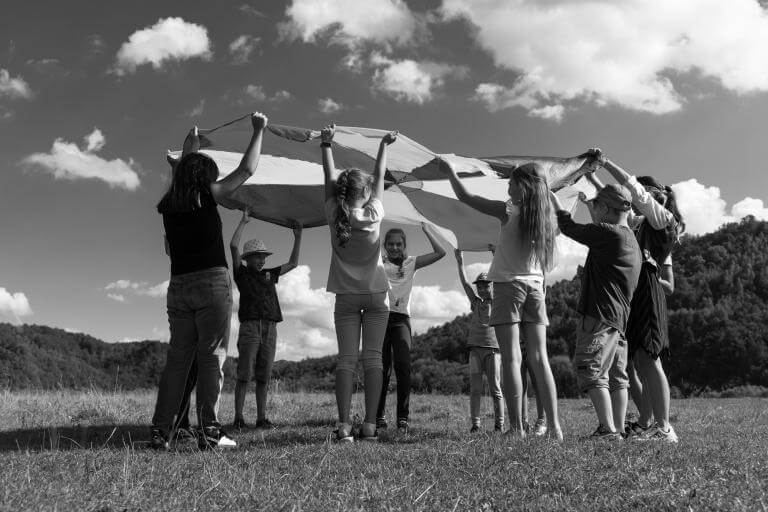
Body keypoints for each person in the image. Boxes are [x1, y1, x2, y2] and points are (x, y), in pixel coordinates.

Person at [150, 112, 268, 451]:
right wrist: (258, 130)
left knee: (178, 361)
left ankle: (161, 432)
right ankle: (211, 432)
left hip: (179, 287)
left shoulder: (170, 204)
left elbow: (184, 168)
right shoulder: (208, 194)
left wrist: (192, 143)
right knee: (211, 358)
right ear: (205, 177)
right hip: (211, 285)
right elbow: (247, 170)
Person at [442, 159, 563, 440]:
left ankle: (517, 429)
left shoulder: (508, 210)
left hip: (509, 287)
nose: (507, 186)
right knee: (540, 358)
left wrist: (449, 171)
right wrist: (547, 191)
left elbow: (465, 196)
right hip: (535, 288)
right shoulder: (549, 219)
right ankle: (555, 428)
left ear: (522, 186)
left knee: (511, 357)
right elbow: (553, 204)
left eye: (511, 182)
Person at [593, 151, 684, 443]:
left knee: (649, 359)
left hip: (649, 289)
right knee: (640, 361)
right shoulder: (640, 222)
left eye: (640, 196)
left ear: (653, 195)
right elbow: (616, 199)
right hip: (635, 291)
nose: (632, 202)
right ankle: (653, 424)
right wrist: (589, 175)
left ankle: (664, 427)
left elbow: (630, 186)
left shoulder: (662, 218)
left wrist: (605, 163)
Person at [321, 123, 396, 442]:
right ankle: (368, 424)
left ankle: (342, 425)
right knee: (374, 359)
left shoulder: (334, 214)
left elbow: (328, 180)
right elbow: (380, 178)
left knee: (347, 360)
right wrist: (383, 145)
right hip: (377, 294)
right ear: (364, 194)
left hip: (346, 297)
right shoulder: (374, 213)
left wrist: (326, 144)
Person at [551, 180, 642, 440]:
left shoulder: (608, 233)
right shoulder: (629, 239)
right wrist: (591, 203)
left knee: (591, 367)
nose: (594, 209)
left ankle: (607, 430)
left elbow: (568, 227)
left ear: (605, 208)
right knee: (617, 375)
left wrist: (553, 200)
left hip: (599, 313)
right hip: (619, 319)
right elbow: (597, 224)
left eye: (597, 205)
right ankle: (619, 429)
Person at [230, 208, 303, 429]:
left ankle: (261, 418)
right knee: (244, 374)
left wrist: (298, 236)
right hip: (250, 327)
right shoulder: (241, 274)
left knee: (264, 376)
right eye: (258, 256)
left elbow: (293, 263)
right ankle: (239, 418)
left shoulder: (270, 274)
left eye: (264, 256)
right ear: (248, 259)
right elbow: (233, 246)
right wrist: (243, 222)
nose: (262, 259)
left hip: (271, 328)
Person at [376, 224, 446, 433]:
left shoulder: (411, 263)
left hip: (401, 320)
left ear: (404, 245)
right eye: (391, 244)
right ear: (385, 246)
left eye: (399, 244)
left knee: (404, 368)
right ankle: (378, 416)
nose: (395, 247)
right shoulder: (379, 262)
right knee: (381, 370)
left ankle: (403, 419)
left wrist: (426, 229)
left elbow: (441, 252)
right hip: (380, 318)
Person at [455, 250, 505, 433]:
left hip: (493, 350)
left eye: (486, 285)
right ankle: (475, 424)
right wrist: (460, 260)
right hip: (475, 350)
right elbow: (465, 283)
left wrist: (496, 255)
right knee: (475, 389)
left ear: (492, 286)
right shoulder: (475, 302)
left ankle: (499, 425)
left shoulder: (497, 301)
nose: (483, 288)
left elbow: (502, 277)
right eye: (480, 286)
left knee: (495, 389)